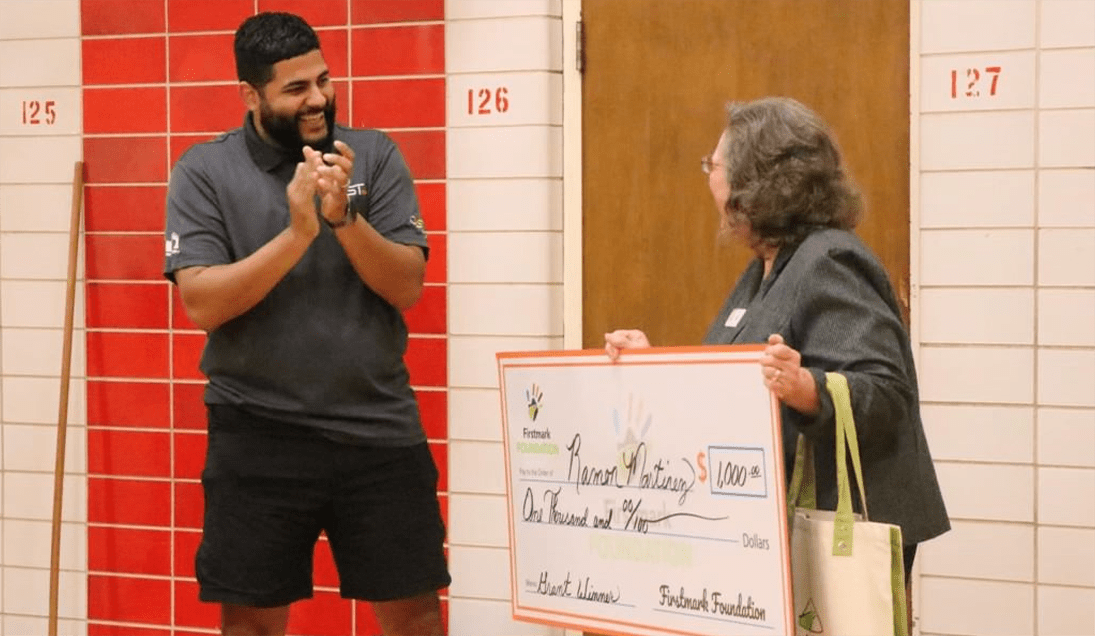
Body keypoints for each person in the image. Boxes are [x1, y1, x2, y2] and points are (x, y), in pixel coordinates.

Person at [163, 12, 449, 636]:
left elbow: (406, 285)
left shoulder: (372, 154)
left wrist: (345, 218)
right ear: (251, 95)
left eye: (322, 79)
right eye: (296, 89)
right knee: (252, 624)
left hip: (378, 427)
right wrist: (297, 235)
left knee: (416, 618)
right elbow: (202, 304)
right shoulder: (204, 171)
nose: (318, 98)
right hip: (256, 430)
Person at [605, 97, 949, 604]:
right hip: (775, 528)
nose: (708, 178)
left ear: (754, 183)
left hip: (838, 525)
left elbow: (887, 392)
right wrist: (654, 363)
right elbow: (740, 377)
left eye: (713, 165)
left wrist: (809, 389)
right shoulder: (768, 265)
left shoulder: (829, 259)